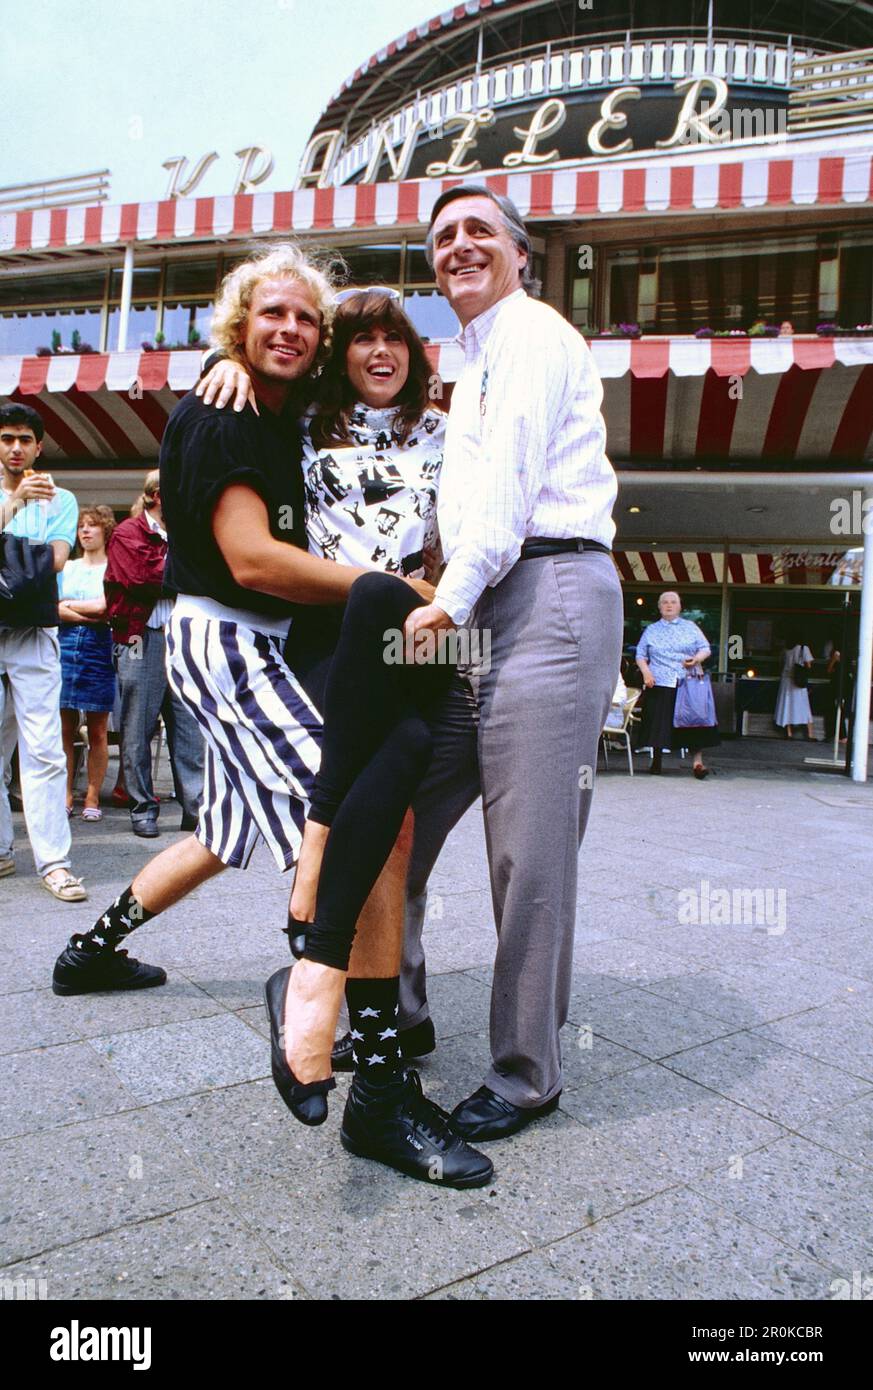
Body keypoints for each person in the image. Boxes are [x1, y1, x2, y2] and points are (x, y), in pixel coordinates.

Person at [53, 246, 492, 1190]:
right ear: (239, 328)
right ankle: (371, 1082)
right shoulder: (225, 410)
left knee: (223, 832)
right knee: (381, 831)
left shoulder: (281, 408)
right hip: (236, 639)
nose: (291, 330)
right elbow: (250, 559)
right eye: (271, 317)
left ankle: (91, 950)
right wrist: (396, 588)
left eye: (306, 319)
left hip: (270, 643)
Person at [389, 184, 623, 1142]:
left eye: (479, 230)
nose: (458, 246)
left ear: (520, 253)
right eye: (442, 237)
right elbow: (458, 502)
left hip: (551, 590)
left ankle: (527, 1072)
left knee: (528, 850)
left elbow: (510, 485)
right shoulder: (465, 356)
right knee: (399, 806)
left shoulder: (529, 336)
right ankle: (393, 1008)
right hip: (487, 597)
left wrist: (446, 597)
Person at [0, 402, 87, 900]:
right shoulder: (25, 497)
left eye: (25, 440)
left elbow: (54, 561)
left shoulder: (61, 498)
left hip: (33, 630)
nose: (16, 448)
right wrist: (12, 506)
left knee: (44, 747)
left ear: (39, 446)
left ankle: (53, 860)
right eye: (7, 438)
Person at [104, 470, 204, 837]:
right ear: (157, 495)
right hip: (139, 637)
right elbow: (141, 580)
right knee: (137, 728)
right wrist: (189, 574)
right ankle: (142, 807)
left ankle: (195, 807)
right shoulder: (127, 532)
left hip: (181, 636)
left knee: (190, 727)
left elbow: (200, 574)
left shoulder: (187, 532)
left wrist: (183, 573)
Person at [58, 505, 116, 818]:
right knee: (64, 728)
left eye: (92, 525)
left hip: (99, 646)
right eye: (82, 525)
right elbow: (53, 609)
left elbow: (108, 608)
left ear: (105, 530)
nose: (85, 530)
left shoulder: (112, 568)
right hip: (65, 644)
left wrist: (70, 606)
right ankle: (66, 793)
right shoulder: (67, 568)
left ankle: (92, 797)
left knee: (97, 731)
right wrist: (86, 611)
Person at [634, 591, 718, 777]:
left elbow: (705, 648)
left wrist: (696, 659)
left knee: (694, 721)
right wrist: (646, 673)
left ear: (680, 606)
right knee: (658, 722)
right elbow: (640, 654)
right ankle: (656, 762)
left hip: (687, 681)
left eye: (673, 602)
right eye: (665, 602)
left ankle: (697, 763)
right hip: (661, 680)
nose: (669, 605)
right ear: (659, 607)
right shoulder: (651, 630)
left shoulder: (690, 627)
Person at [774, 633, 815, 739]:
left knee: (787, 706)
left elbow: (780, 664)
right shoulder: (803, 648)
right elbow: (809, 665)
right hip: (798, 682)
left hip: (786, 681)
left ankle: (789, 733)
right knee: (804, 707)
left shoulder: (785, 650)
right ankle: (810, 734)